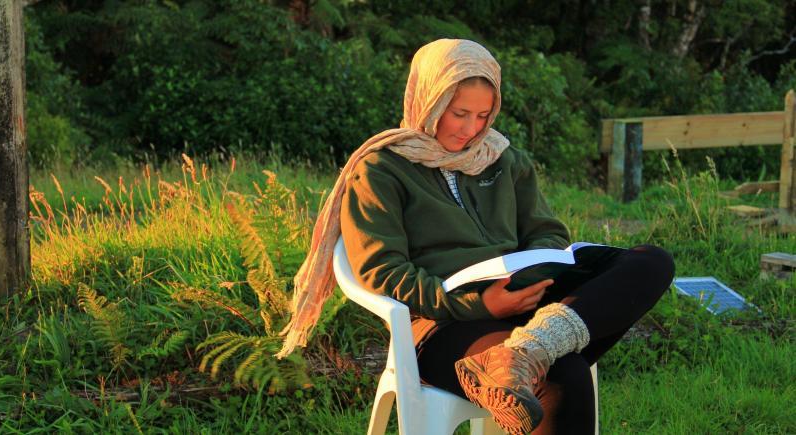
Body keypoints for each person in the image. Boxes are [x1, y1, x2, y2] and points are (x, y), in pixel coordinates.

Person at [278, 39, 675, 434]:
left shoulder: (504, 159)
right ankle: (526, 356)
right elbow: (383, 272)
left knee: (652, 261)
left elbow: (546, 233)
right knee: (561, 374)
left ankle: (526, 351)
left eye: (484, 115)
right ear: (429, 101)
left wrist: (531, 274)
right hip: (442, 325)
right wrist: (481, 302)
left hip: (526, 308)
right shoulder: (383, 169)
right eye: (459, 113)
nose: (472, 130)